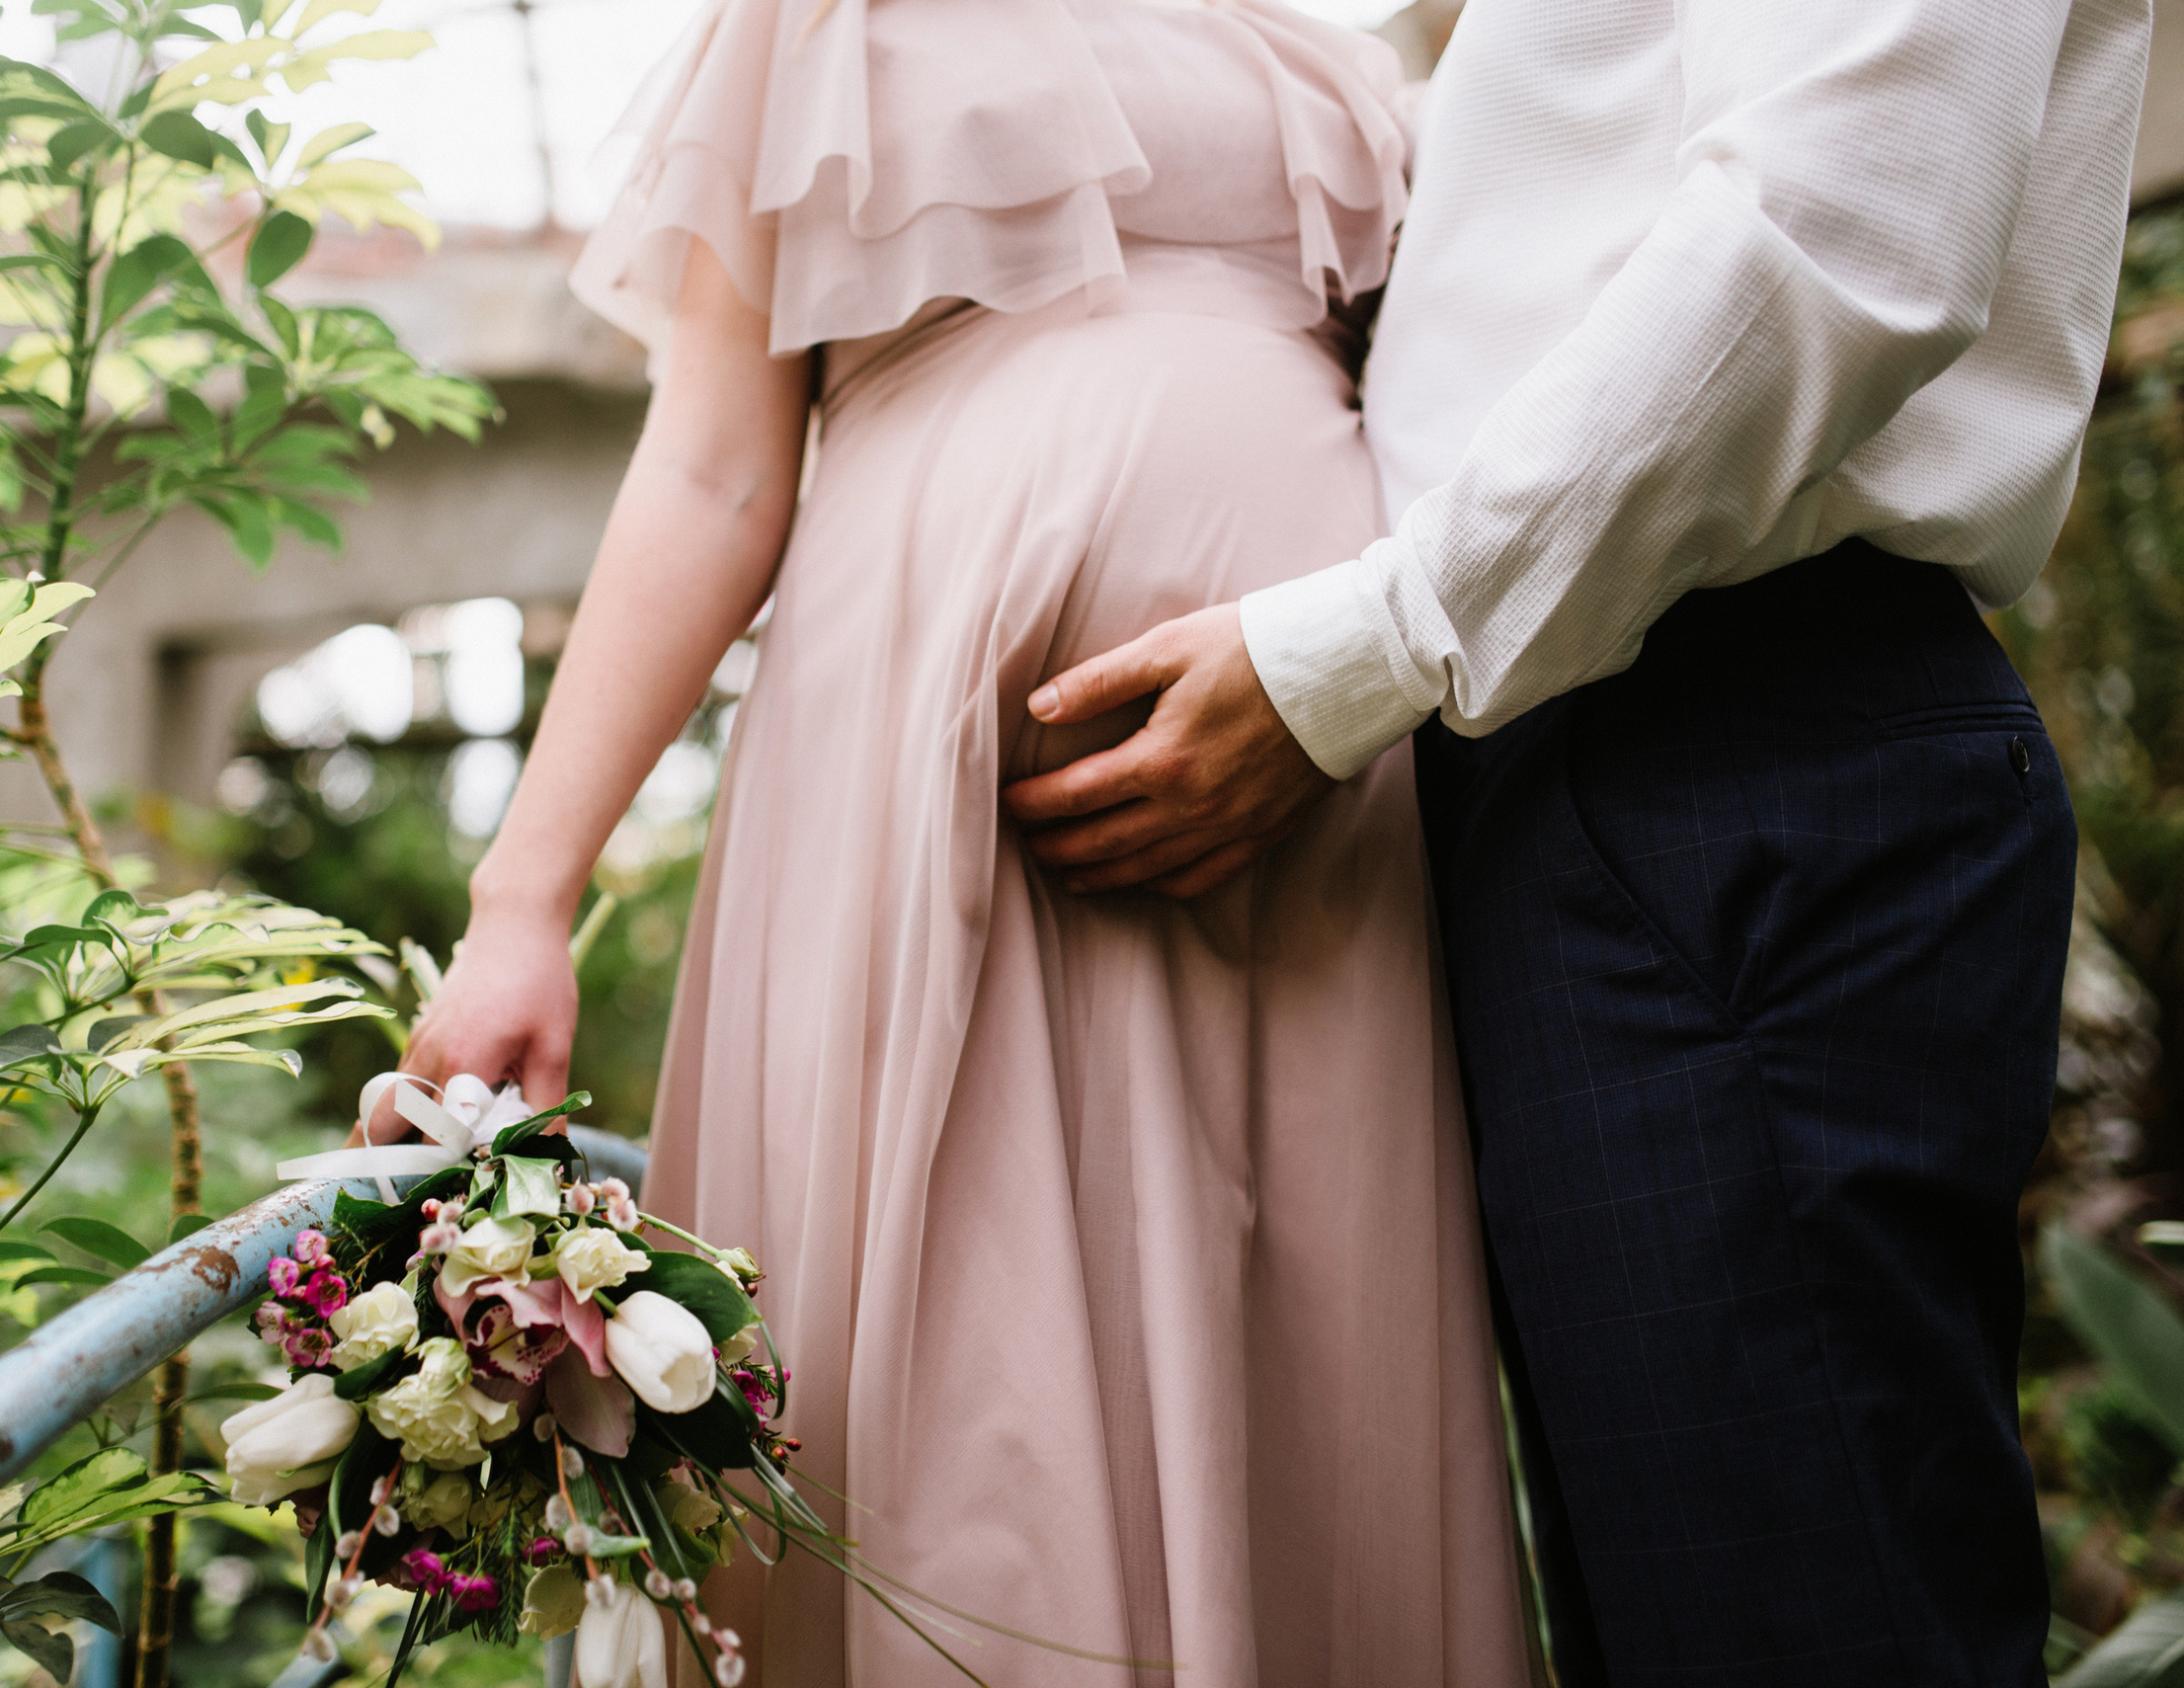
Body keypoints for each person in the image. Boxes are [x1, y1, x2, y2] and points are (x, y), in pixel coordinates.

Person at [1003, 0, 2152, 1681]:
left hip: (1724, 733)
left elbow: (1834, 225)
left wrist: (1368, 648)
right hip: (1607, 758)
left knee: (1801, 1627)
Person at [392, 0, 1531, 1681]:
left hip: (1316, 819)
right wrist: (522, 897)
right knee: (969, 1395)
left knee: (1303, 1384)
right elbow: (712, 471)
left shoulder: (1311, 44)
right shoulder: (820, 23)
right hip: (934, 821)